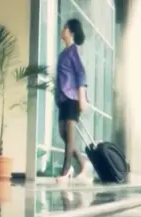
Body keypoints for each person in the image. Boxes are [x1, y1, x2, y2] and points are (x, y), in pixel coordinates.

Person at [55, 18, 88, 183]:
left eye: (65, 28)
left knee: (69, 134)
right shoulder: (63, 54)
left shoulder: (75, 51)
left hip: (73, 98)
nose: (62, 30)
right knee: (62, 133)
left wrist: (82, 99)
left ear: (71, 32)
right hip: (63, 98)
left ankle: (66, 170)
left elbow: (81, 75)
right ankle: (82, 163)